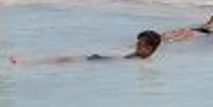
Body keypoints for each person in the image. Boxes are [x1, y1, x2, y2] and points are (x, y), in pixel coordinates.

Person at [12, 30, 162, 65]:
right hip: (98, 61)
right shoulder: (139, 58)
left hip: (98, 63)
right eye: (137, 42)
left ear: (149, 49)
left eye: (140, 44)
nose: (136, 45)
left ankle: (28, 63)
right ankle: (29, 62)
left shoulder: (141, 62)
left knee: (64, 61)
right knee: (64, 60)